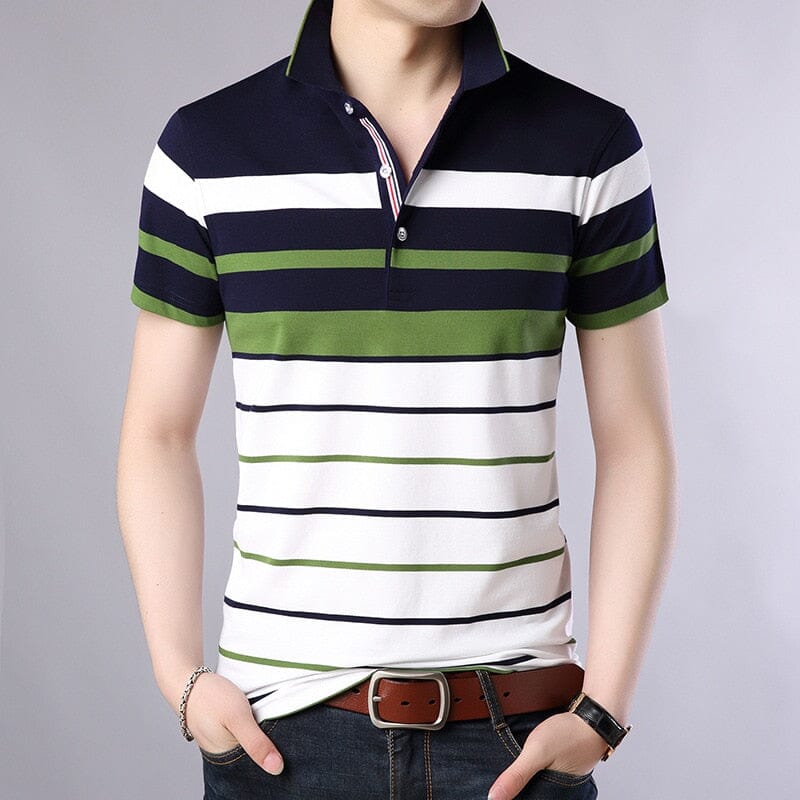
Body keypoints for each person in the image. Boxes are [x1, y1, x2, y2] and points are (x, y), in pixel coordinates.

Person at [116, 0, 678, 797]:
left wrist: (604, 712)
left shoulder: (588, 148)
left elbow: (636, 443)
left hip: (513, 741)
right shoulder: (207, 152)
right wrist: (181, 679)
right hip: (281, 738)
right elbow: (158, 434)